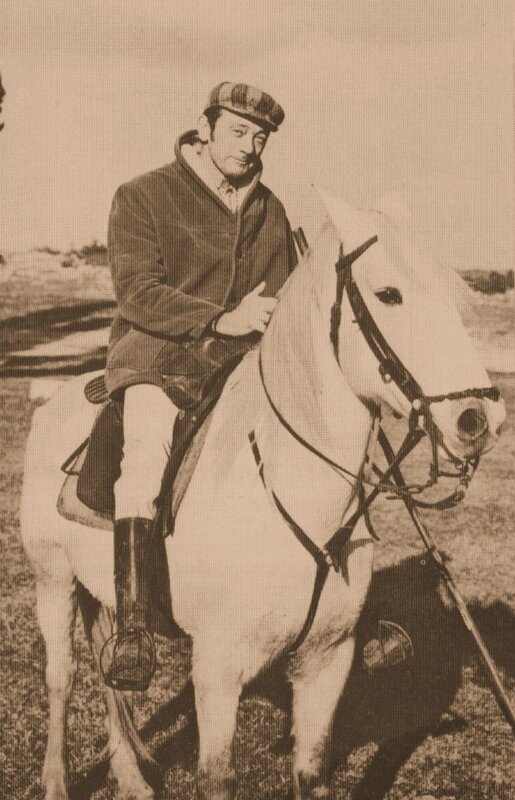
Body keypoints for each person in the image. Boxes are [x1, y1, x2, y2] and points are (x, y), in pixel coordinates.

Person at [102, 82, 297, 690]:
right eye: (238, 131)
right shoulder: (143, 194)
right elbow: (137, 291)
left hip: (243, 362)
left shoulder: (271, 209)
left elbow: (286, 293)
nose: (250, 145)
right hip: (158, 357)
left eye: (260, 137)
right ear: (206, 129)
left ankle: (328, 611)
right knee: (145, 455)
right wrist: (219, 319)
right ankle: (134, 624)